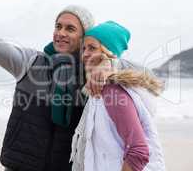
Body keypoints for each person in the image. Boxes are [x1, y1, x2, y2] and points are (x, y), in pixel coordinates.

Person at [0, 2, 144, 171]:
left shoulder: (92, 74)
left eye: (70, 28)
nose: (61, 33)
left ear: (84, 37)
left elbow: (146, 78)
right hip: (20, 166)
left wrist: (106, 64)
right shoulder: (31, 63)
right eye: (58, 26)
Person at [69, 21, 166, 171]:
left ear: (110, 54)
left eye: (92, 48)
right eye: (84, 48)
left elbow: (138, 152)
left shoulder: (112, 91)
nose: (85, 54)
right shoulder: (97, 89)